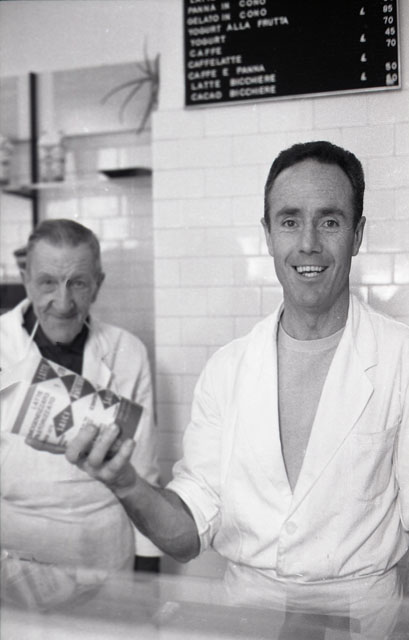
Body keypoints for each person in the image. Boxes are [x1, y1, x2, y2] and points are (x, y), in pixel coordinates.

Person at [65, 142, 409, 632]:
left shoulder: (400, 358)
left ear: (357, 235)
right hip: (249, 616)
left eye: (330, 221)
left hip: (362, 621)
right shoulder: (228, 369)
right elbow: (187, 535)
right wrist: (126, 484)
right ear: (267, 234)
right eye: (289, 221)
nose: (308, 243)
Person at [0, 219, 161, 573]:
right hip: (13, 549)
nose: (63, 302)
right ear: (26, 279)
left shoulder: (126, 351)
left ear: (97, 285)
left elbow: (144, 468)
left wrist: (148, 569)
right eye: (47, 282)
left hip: (103, 547)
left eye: (78, 283)